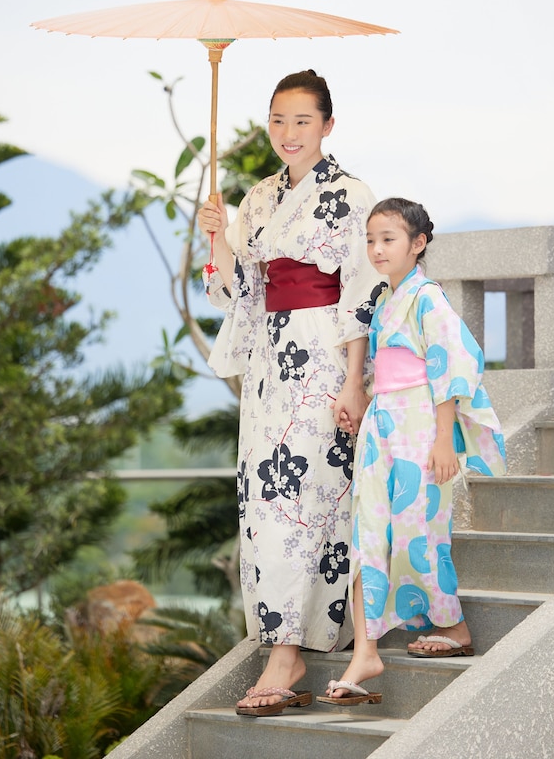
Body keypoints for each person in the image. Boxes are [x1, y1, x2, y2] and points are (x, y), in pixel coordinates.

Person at [197, 69, 383, 718]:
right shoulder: (255, 199)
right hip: (270, 365)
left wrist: (355, 379)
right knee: (265, 498)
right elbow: (235, 293)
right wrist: (217, 236)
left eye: (302, 120)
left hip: (326, 359)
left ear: (327, 125)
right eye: (278, 120)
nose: (288, 132)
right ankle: (283, 641)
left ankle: (292, 650)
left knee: (310, 497)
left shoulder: (352, 195)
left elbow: (363, 288)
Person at [318, 197, 507, 706]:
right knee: (367, 534)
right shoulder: (386, 301)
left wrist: (445, 438)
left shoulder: (428, 299)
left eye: (389, 239)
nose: (377, 249)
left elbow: (450, 366)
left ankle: (454, 625)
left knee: (420, 532)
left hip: (421, 428)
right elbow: (385, 370)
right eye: (371, 240)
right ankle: (366, 652)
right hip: (383, 427)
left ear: (418, 243)